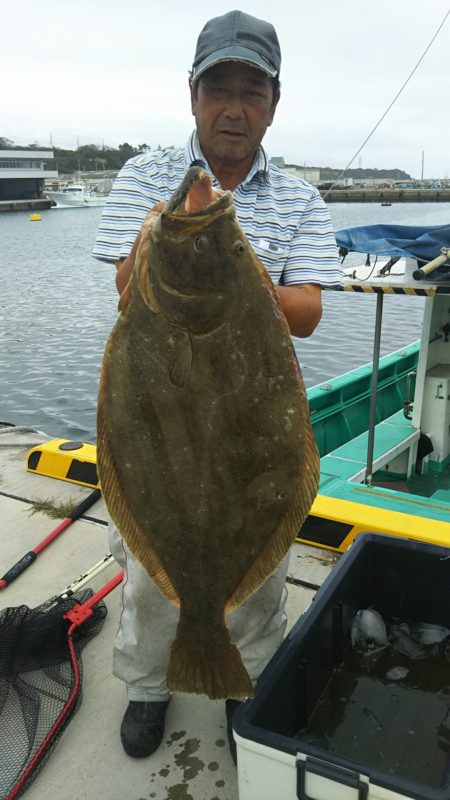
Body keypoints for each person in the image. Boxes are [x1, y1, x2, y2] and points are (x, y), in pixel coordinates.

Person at [93, 9, 343, 764]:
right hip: (162, 412)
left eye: (253, 90)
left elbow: (307, 310)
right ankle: (146, 685)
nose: (235, 105)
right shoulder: (143, 174)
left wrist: (246, 271)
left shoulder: (299, 198)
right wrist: (160, 240)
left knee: (260, 578)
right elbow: (125, 287)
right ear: (194, 94)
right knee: (146, 575)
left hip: (246, 425)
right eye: (219, 87)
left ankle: (248, 690)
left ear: (273, 102)